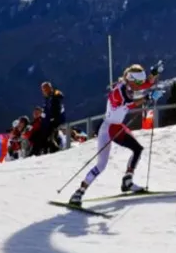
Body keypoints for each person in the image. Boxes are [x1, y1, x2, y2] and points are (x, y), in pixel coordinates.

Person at [69, 61, 163, 205]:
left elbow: (146, 84)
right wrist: (147, 98)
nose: (139, 86)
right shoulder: (118, 92)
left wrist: (154, 74)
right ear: (131, 79)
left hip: (117, 126)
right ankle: (79, 192)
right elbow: (130, 103)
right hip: (108, 129)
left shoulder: (130, 85)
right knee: (101, 165)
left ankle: (127, 181)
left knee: (137, 149)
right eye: (137, 82)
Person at [41, 81, 66, 153]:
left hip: (56, 121)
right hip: (49, 122)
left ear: (50, 88)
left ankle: (56, 150)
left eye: (46, 89)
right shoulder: (47, 99)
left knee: (51, 136)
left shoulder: (55, 95)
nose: (45, 91)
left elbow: (56, 108)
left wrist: (52, 118)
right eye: (43, 90)